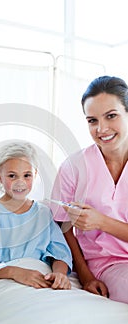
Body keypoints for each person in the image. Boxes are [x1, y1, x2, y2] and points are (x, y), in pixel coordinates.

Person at [51, 75, 128, 304]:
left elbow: (99, 222)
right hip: (109, 264)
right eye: (92, 120)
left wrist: (100, 222)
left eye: (111, 116)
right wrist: (85, 276)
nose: (101, 129)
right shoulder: (74, 167)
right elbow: (61, 226)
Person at [0, 142, 72, 289]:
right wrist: (14, 272)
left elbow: (60, 253)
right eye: (12, 176)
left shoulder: (43, 213)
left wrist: (60, 274)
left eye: (27, 175)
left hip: (41, 278)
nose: (20, 182)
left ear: (35, 174)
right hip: (5, 281)